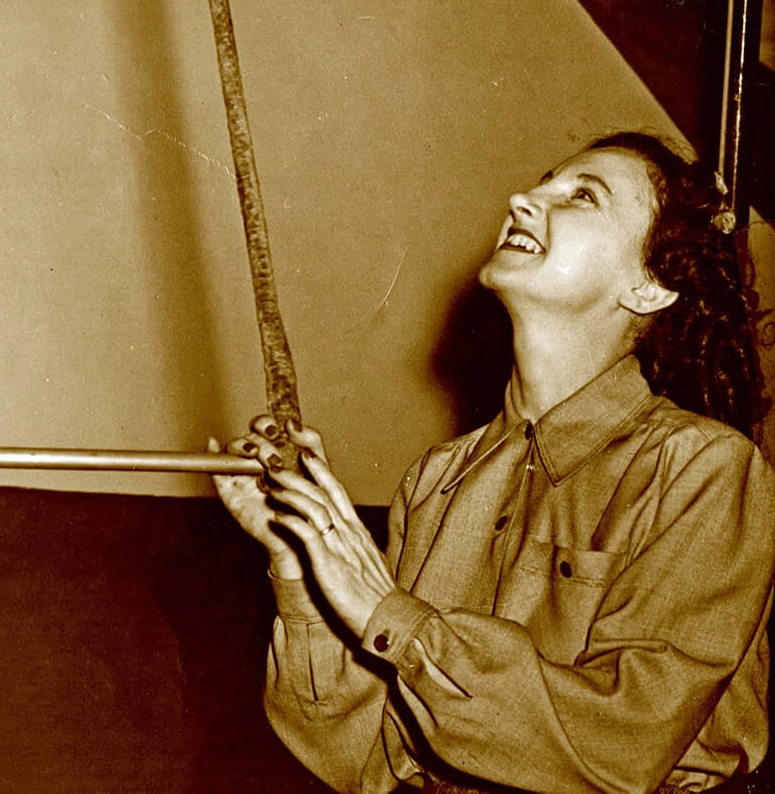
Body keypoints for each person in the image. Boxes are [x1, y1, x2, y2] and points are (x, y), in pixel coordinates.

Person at [216, 132, 775, 794]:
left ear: (648, 285)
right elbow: (359, 760)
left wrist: (389, 612)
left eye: (580, 196)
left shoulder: (703, 468)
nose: (522, 199)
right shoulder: (437, 478)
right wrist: (299, 559)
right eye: (541, 181)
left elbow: (621, 746)